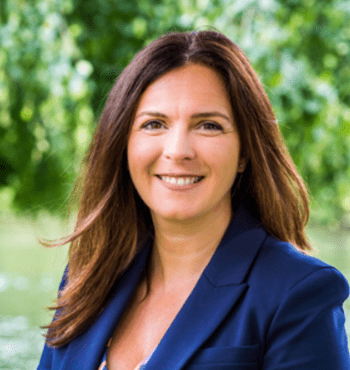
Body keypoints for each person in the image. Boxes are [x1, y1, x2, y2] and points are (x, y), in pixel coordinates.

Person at [37, 30, 350, 370]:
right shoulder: (88, 277)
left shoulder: (298, 292)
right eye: (154, 124)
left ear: (244, 150)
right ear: (123, 144)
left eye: (208, 126)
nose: (178, 151)